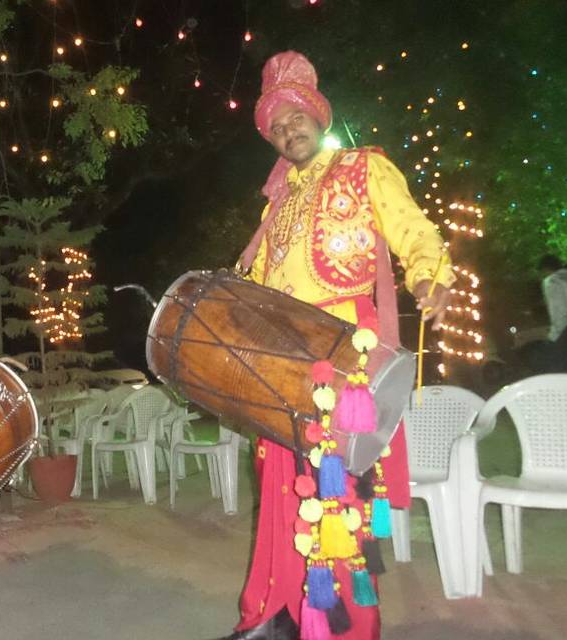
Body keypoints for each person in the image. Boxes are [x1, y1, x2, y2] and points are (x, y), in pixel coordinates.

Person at [218, 52, 454, 640]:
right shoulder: (274, 207)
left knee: (336, 490)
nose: (287, 130)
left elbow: (413, 228)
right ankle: (279, 612)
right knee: (281, 489)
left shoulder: (362, 166)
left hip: (345, 354)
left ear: (318, 117)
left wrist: (430, 272)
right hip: (284, 361)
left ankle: (345, 624)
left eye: (295, 117)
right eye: (276, 126)